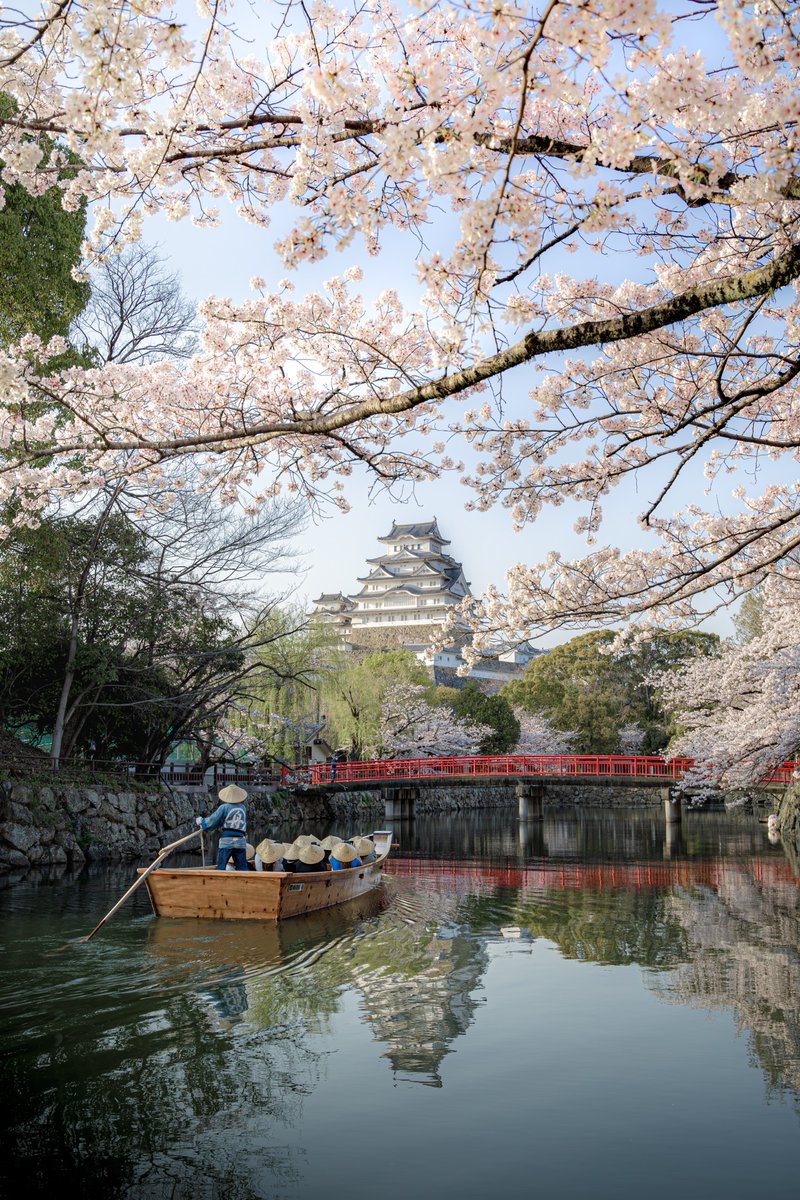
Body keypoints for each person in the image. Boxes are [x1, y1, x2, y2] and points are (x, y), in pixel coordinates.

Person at [195, 783, 249, 871]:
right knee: (242, 867)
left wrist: (202, 822)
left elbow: (213, 820)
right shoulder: (243, 808)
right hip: (240, 841)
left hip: (227, 841)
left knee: (221, 866)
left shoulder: (224, 807)